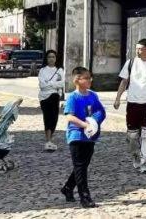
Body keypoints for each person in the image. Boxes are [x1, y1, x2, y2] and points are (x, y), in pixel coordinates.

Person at [113, 38, 146, 174]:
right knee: (132, 135)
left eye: (140, 49)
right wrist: (118, 98)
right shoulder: (130, 63)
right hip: (132, 104)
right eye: (136, 48)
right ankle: (136, 156)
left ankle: (144, 162)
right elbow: (124, 82)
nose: (137, 51)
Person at [61, 67, 106, 209]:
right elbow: (69, 116)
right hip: (76, 135)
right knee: (80, 166)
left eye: (89, 77)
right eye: (86, 78)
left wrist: (94, 121)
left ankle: (68, 188)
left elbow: (100, 111)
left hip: (90, 135)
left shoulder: (93, 96)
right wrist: (84, 125)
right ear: (77, 80)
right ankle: (85, 197)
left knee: (82, 165)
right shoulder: (73, 97)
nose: (89, 80)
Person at [38, 49, 64, 152]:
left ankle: (50, 139)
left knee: (54, 118)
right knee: (47, 118)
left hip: (55, 96)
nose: (51, 59)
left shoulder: (59, 70)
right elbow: (42, 85)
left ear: (56, 58)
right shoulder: (42, 70)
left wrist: (49, 83)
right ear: (46, 58)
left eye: (53, 57)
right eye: (49, 57)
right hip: (44, 97)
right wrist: (55, 84)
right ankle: (48, 140)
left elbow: (62, 83)